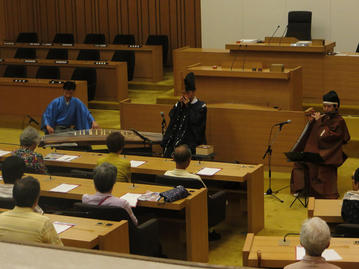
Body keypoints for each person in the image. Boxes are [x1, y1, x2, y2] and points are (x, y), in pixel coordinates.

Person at [290, 91, 350, 199]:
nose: (325, 109)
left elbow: (325, 137)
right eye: (324, 106)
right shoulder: (325, 117)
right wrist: (312, 121)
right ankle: (302, 190)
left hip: (328, 154)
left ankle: (318, 193)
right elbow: (314, 132)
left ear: (336, 107)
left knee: (313, 162)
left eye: (328, 106)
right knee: (299, 160)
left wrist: (319, 123)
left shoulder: (339, 121)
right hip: (318, 150)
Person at [0, 176, 63, 246]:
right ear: (36, 201)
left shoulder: (1, 218)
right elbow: (59, 249)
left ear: (14, 197)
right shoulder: (44, 223)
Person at [162, 72, 207, 157]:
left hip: (191, 141)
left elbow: (196, 122)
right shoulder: (179, 104)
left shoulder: (201, 106)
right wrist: (180, 106)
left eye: (187, 93)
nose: (184, 95)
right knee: (168, 148)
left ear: (193, 92)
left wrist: (188, 107)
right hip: (176, 139)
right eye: (183, 93)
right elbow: (172, 117)